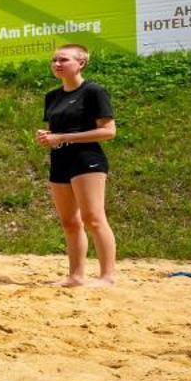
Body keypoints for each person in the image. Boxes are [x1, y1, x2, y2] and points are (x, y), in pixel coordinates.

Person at [34, 42, 118, 287]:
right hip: (60, 159)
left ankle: (107, 276)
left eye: (63, 60)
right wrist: (47, 137)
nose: (57, 64)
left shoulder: (93, 91)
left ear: (81, 63)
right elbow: (56, 131)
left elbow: (108, 131)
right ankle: (76, 276)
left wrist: (63, 137)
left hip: (87, 158)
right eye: (54, 60)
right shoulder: (52, 96)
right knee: (69, 221)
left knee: (93, 218)